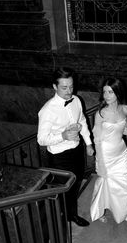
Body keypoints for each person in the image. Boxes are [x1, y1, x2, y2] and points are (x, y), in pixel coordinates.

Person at [90, 77, 127, 235]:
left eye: (110, 92)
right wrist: (100, 163)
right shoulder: (100, 114)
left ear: (118, 92)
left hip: (121, 154)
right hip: (105, 155)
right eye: (104, 92)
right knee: (105, 184)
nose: (107, 95)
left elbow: (123, 130)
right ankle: (101, 210)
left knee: (125, 187)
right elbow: (97, 139)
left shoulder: (125, 109)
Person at [37, 67, 94, 227]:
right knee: (62, 191)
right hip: (59, 158)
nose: (69, 91)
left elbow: (82, 121)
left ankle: (72, 215)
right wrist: (63, 136)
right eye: (64, 87)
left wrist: (88, 143)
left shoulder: (76, 100)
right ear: (54, 86)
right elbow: (41, 139)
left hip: (77, 151)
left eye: (71, 86)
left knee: (75, 185)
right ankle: (59, 222)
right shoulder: (48, 110)